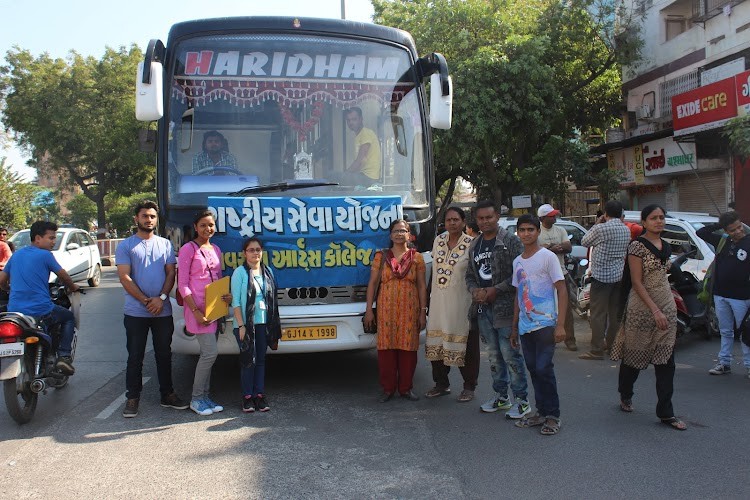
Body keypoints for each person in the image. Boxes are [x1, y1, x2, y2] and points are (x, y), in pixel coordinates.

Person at [610, 205, 686, 431]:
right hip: (642, 308)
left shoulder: (666, 245)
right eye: (654, 218)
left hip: (667, 307)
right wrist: (654, 310)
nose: (659, 221)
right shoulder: (637, 246)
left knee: (666, 362)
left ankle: (666, 412)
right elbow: (637, 282)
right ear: (644, 222)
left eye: (662, 217)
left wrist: (666, 305)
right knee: (634, 357)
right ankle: (625, 393)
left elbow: (665, 272)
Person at [116, 200, 187, 418]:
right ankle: (132, 398)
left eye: (153, 216)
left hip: (162, 311)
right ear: (136, 218)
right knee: (135, 356)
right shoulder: (126, 245)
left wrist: (162, 298)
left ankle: (167, 395)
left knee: (164, 355)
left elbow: (171, 273)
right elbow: (124, 277)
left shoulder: (165, 244)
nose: (149, 220)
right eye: (145, 216)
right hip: (135, 312)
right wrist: (147, 301)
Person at [465, 200, 529, 419]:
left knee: (511, 355)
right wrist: (475, 291)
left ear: (497, 217)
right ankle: (501, 397)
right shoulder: (475, 245)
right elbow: (470, 275)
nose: (484, 222)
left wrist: (496, 290)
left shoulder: (510, 241)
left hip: (507, 309)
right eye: (481, 218)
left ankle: (522, 401)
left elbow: (521, 274)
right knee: (493, 356)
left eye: (488, 217)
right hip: (483, 310)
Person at [510, 214, 567, 435]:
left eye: (530, 230)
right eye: (522, 230)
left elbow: (562, 289)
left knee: (544, 368)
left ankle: (553, 415)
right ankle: (541, 412)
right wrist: (514, 327)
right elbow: (518, 294)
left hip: (546, 324)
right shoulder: (518, 262)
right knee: (534, 369)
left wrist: (560, 324)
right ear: (518, 232)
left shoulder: (547, 257)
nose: (526, 234)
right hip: (525, 326)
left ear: (538, 231)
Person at [0, 221, 79, 375]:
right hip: (41, 310)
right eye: (50, 238)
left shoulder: (16, 255)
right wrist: (73, 287)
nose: (53, 241)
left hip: (15, 312)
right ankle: (64, 356)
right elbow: (63, 276)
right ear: (37, 238)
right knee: (69, 317)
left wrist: (8, 289)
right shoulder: (45, 255)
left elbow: (1, 281)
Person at [365, 219, 427, 402]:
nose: (399, 234)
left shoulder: (417, 258)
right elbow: (373, 283)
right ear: (390, 235)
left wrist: (423, 311)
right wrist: (369, 309)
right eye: (396, 231)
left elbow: (422, 286)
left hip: (410, 310)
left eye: (403, 231)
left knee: (408, 349)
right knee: (386, 349)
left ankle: (406, 388)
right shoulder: (381, 256)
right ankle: (388, 389)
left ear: (409, 234)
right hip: (386, 310)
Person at [178, 210, 232, 416]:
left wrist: (225, 297)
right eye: (203, 225)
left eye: (211, 225)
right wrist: (196, 311)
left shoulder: (216, 249)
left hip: (214, 309)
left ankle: (205, 397)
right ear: (195, 227)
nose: (208, 229)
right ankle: (196, 398)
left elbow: (217, 278)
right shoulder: (188, 249)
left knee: (208, 355)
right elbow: (183, 285)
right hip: (197, 310)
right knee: (210, 353)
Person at [425, 207, 479, 402]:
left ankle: (469, 386)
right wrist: (427, 301)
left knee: (467, 345)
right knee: (437, 343)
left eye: (456, 219)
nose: (452, 223)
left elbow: (476, 275)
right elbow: (435, 271)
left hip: (462, 304)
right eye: (449, 220)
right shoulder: (438, 241)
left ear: (463, 222)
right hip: (438, 303)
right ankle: (441, 384)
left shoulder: (471, 243)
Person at [696, 211, 750, 378]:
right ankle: (724, 363)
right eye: (733, 229)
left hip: (742, 297)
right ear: (726, 231)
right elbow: (701, 233)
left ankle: (749, 366)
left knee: (745, 332)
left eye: (739, 227)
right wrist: (721, 223)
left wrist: (729, 223)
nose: (739, 231)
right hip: (720, 294)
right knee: (726, 331)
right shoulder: (722, 241)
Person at [231, 237, 282, 412]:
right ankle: (247, 397)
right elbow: (236, 302)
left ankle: (259, 395)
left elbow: (273, 301)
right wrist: (241, 325)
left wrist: (274, 326)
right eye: (251, 250)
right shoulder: (240, 273)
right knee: (248, 361)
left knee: (260, 360)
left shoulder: (268, 272)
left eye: (258, 250)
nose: (255, 253)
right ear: (245, 253)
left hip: (264, 324)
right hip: (245, 325)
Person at [579, 200, 630, 360]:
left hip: (601, 277)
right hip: (618, 276)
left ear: (605, 213)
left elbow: (584, 241)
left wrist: (597, 223)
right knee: (614, 313)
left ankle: (596, 349)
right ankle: (612, 345)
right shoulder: (625, 229)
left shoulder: (601, 228)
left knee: (597, 314)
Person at [536, 204, 576, 351]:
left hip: (561, 273)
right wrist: (551, 248)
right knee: (545, 309)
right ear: (542, 218)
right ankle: (548, 339)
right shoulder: (537, 232)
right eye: (551, 216)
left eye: (554, 215)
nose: (554, 217)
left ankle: (570, 339)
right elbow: (535, 249)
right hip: (543, 277)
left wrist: (550, 247)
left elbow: (568, 247)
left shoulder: (560, 230)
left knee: (566, 309)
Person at [344, 107, 381, 185]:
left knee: (334, 176)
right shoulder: (359, 136)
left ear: (361, 119)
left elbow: (360, 161)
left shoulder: (365, 134)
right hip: (364, 175)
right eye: (348, 120)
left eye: (354, 119)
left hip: (369, 177)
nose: (351, 122)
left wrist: (345, 174)